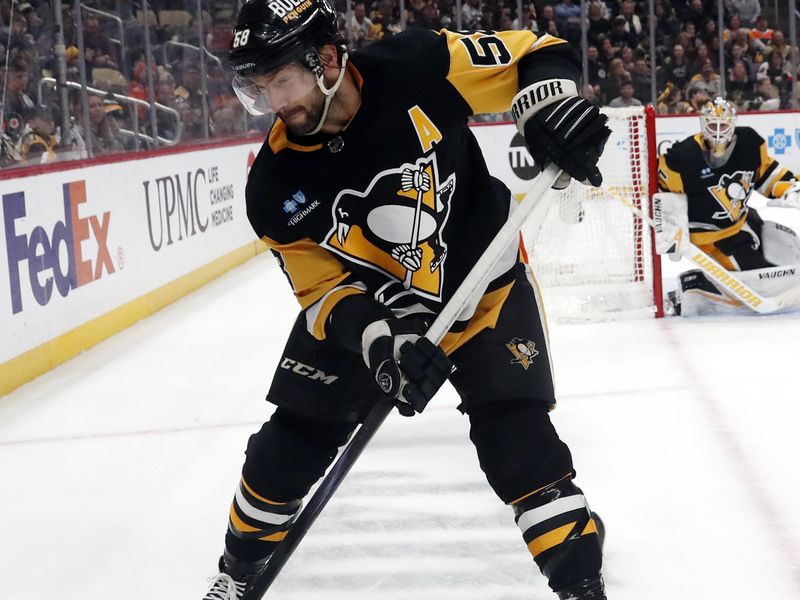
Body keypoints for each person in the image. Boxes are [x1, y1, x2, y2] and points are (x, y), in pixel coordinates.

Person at [202, 0, 611, 599]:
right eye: (259, 88)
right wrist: (382, 345)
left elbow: (537, 52)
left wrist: (551, 111)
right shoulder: (272, 185)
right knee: (286, 450)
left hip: (482, 292)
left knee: (520, 446)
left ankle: (580, 581)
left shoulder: (419, 64)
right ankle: (237, 571)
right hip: (376, 310)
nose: (273, 104)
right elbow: (324, 290)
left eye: (281, 81)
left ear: (325, 60)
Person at [656, 97, 800, 316]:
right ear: (703, 124)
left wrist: (791, 188)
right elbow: (661, 195)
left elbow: (767, 174)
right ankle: (690, 292)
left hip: (742, 223)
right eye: (713, 125)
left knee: (790, 252)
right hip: (710, 238)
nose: (717, 132)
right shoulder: (683, 159)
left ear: (732, 123)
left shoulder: (749, 143)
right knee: (760, 279)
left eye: (722, 125)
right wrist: (668, 234)